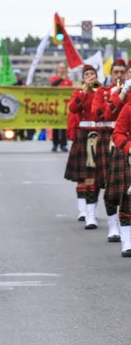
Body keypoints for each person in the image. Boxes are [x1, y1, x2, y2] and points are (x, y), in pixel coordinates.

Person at [91, 58, 127, 237]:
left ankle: (125, 224)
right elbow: (100, 115)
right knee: (109, 184)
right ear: (110, 74)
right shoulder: (102, 92)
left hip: (126, 140)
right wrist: (116, 94)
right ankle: (113, 226)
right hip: (107, 139)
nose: (119, 75)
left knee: (126, 185)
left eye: (122, 72)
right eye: (116, 72)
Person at [64, 65, 100, 226]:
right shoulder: (78, 93)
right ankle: (83, 210)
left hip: (99, 134)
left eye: (93, 74)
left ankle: (92, 209)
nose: (90, 76)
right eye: (87, 74)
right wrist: (85, 91)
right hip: (83, 134)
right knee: (83, 176)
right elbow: (73, 108)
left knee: (95, 176)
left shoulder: (101, 91)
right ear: (83, 78)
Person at [112, 74, 131, 257]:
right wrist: (129, 148)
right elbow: (118, 133)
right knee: (128, 201)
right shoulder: (128, 108)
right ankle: (126, 240)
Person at [50, 62, 73, 152]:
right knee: (55, 126)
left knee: (64, 126)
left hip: (64, 107)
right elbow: (53, 85)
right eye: (60, 68)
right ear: (58, 69)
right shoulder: (53, 78)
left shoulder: (69, 81)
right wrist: (61, 79)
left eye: (63, 68)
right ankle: (55, 144)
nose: (62, 70)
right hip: (55, 106)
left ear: (66, 70)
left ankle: (63, 144)